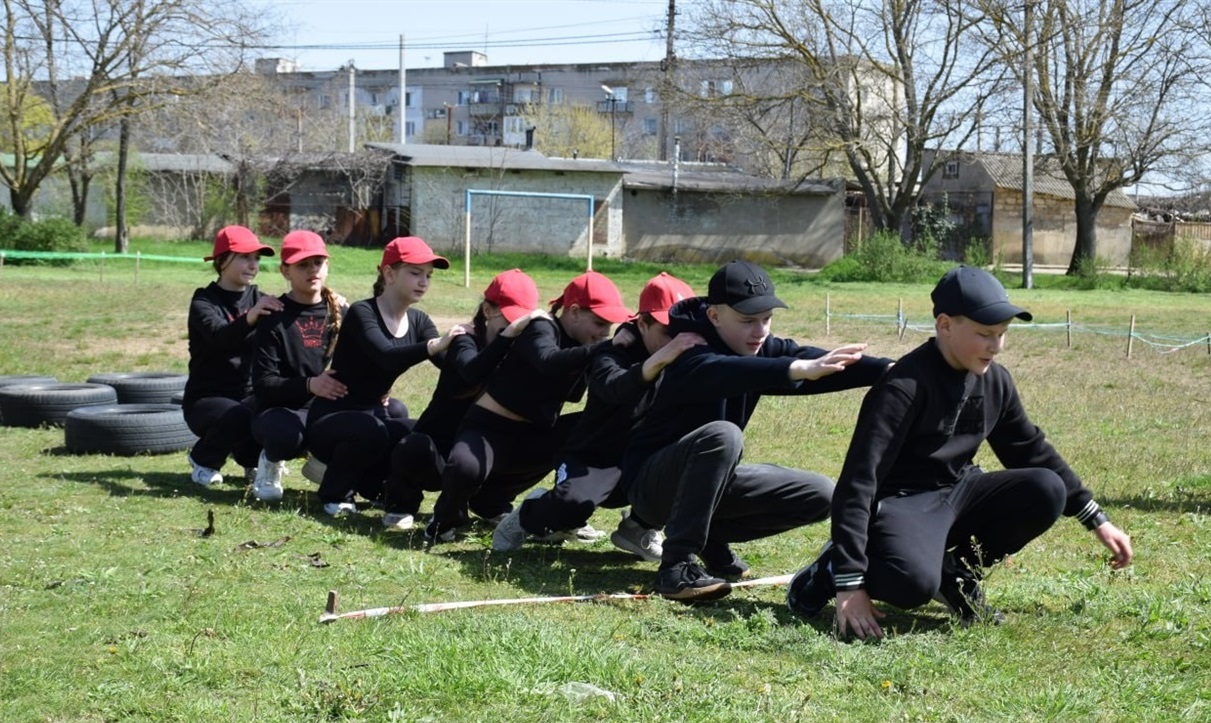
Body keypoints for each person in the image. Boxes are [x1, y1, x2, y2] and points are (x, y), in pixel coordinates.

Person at [786, 266, 1134, 638]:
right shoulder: (902, 387)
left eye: (1002, 334)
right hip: (904, 502)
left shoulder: (995, 380)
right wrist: (849, 582)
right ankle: (829, 567)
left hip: (960, 489)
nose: (996, 346)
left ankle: (955, 574)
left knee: (1046, 489)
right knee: (912, 585)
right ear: (945, 325)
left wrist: (1097, 519)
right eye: (985, 334)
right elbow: (858, 483)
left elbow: (1028, 449)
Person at [620, 260, 892, 602]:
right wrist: (798, 369)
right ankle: (676, 567)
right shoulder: (689, 351)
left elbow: (812, 362)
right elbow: (734, 371)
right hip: (651, 490)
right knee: (723, 435)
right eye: (748, 321)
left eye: (767, 319)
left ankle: (709, 538)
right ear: (715, 316)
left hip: (707, 483)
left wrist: (892, 370)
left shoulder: (759, 346)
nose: (760, 331)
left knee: (821, 494)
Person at [491, 271, 704, 556]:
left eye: (683, 332)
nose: (678, 341)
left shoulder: (691, 355)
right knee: (570, 508)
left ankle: (638, 528)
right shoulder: (614, 352)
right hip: (596, 458)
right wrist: (659, 360)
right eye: (668, 332)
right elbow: (614, 387)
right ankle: (533, 512)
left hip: (644, 460)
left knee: (694, 457)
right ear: (642, 322)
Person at [426, 270, 635, 542]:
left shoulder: (583, 346)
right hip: (489, 428)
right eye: (598, 323)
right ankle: (446, 517)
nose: (604, 333)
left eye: (608, 327)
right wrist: (601, 349)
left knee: (591, 430)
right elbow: (548, 360)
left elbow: (573, 396)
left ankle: (523, 507)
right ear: (573, 312)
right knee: (466, 468)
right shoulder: (542, 326)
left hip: (533, 434)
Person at [305, 236, 465, 516]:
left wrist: (485, 354)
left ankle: (379, 488)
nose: (424, 281)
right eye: (415, 273)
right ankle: (335, 493)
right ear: (389, 274)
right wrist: (433, 345)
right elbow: (386, 356)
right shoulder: (362, 312)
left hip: (375, 416)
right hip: (330, 418)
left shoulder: (419, 321)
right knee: (371, 431)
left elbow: (450, 364)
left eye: (428, 275)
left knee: (418, 435)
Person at [379, 269, 547, 530]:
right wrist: (507, 338)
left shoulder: (523, 352)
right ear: (488, 310)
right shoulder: (464, 340)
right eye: (511, 321)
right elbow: (472, 371)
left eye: (523, 323)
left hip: (482, 452)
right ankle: (401, 502)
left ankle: (490, 502)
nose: (517, 329)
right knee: (413, 446)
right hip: (440, 452)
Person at [248, 230, 346, 502]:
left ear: (327, 265)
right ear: (285, 271)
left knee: (386, 413)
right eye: (302, 264)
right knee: (288, 435)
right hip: (278, 408)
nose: (312, 270)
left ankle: (326, 464)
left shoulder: (342, 312)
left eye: (318, 262)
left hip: (325, 406)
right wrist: (310, 384)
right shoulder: (272, 316)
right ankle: (270, 461)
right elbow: (264, 385)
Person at [183, 225, 282, 487]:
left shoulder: (261, 299)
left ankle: (251, 460)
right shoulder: (203, 301)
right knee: (238, 416)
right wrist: (251, 317)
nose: (253, 265)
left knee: (272, 416)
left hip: (248, 397)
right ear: (223, 261)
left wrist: (329, 306)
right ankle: (203, 459)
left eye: (257, 259)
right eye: (245, 257)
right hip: (207, 398)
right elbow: (220, 338)